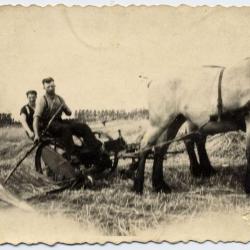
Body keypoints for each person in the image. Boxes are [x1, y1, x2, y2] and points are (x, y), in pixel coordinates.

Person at [33, 77, 102, 161]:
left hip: (59, 122)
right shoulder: (42, 100)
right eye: (48, 87)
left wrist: (66, 109)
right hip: (49, 125)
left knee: (83, 126)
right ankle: (72, 154)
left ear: (55, 86)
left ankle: (94, 148)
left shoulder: (59, 98)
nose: (51, 88)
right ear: (44, 88)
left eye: (52, 86)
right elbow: (36, 119)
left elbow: (68, 113)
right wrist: (36, 135)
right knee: (66, 128)